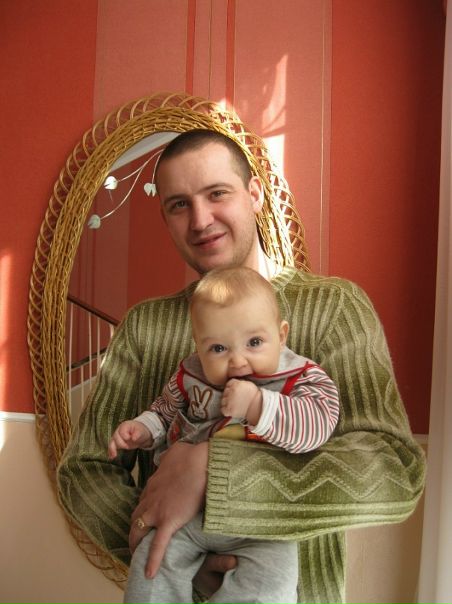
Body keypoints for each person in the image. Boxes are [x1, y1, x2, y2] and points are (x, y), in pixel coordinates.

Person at [57, 128, 426, 604]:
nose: (200, 220)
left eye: (217, 194)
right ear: (166, 218)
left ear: (254, 194)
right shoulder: (144, 326)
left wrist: (212, 469)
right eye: (179, 204)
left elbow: (393, 469)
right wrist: (171, 554)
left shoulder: (336, 307)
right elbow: (84, 469)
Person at [108, 266, 340, 603]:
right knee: (153, 565)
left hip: (262, 522)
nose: (238, 361)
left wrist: (258, 405)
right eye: (218, 348)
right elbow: (165, 409)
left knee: (271, 584)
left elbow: (317, 427)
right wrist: (145, 429)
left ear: (282, 335)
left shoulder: (300, 377)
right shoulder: (191, 374)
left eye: (255, 342)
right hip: (184, 515)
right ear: (199, 347)